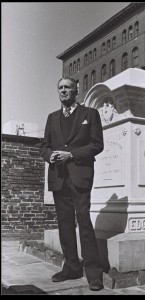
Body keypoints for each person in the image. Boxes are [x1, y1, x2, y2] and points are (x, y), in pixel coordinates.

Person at [40, 76, 104, 291]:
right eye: (60, 88)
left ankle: (94, 274)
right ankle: (71, 267)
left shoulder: (90, 114)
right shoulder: (52, 117)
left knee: (84, 222)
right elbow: (44, 146)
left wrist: (71, 155)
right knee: (64, 224)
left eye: (68, 87)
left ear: (76, 90)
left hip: (80, 177)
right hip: (59, 178)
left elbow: (97, 144)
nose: (63, 91)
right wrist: (51, 156)